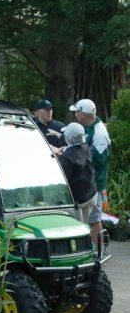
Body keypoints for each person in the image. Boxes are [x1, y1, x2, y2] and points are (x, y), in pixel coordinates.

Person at [70, 99, 111, 244]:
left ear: (83, 114)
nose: (75, 115)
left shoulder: (99, 134)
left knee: (94, 220)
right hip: (86, 183)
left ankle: (97, 253)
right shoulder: (87, 127)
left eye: (77, 112)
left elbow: (98, 162)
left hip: (94, 185)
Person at [59, 122, 97, 225]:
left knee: (79, 230)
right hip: (91, 194)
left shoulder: (67, 158)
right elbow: (75, 150)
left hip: (78, 201)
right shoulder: (86, 147)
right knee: (86, 225)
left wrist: (60, 157)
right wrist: (65, 150)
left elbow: (63, 181)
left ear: (68, 137)